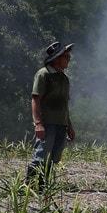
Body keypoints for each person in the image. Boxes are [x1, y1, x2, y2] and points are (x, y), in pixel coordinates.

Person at [26, 41, 76, 189]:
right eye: (66, 56)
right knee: (41, 155)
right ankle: (27, 187)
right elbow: (36, 99)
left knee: (53, 157)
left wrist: (69, 126)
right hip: (47, 123)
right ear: (56, 58)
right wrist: (38, 123)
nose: (68, 59)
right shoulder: (43, 74)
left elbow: (64, 105)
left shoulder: (64, 79)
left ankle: (42, 185)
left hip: (61, 123)